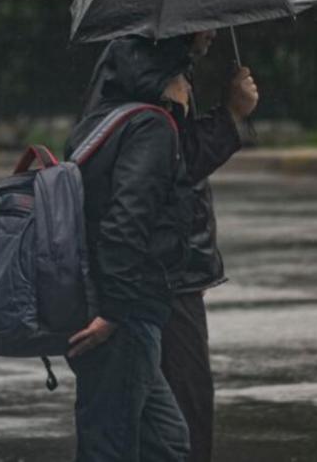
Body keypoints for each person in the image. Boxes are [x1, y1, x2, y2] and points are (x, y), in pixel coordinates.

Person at [77, 30, 259, 462]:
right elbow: (156, 185)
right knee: (171, 426)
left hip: (147, 281)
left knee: (148, 431)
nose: (213, 30)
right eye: (206, 19)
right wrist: (232, 114)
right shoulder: (154, 90)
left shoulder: (139, 69)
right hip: (161, 280)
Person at [63, 36, 196, 462]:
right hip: (125, 314)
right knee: (112, 446)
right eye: (202, 31)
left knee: (166, 442)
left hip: (112, 304)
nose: (211, 34)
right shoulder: (151, 126)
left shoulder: (104, 121)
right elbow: (127, 219)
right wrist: (114, 313)